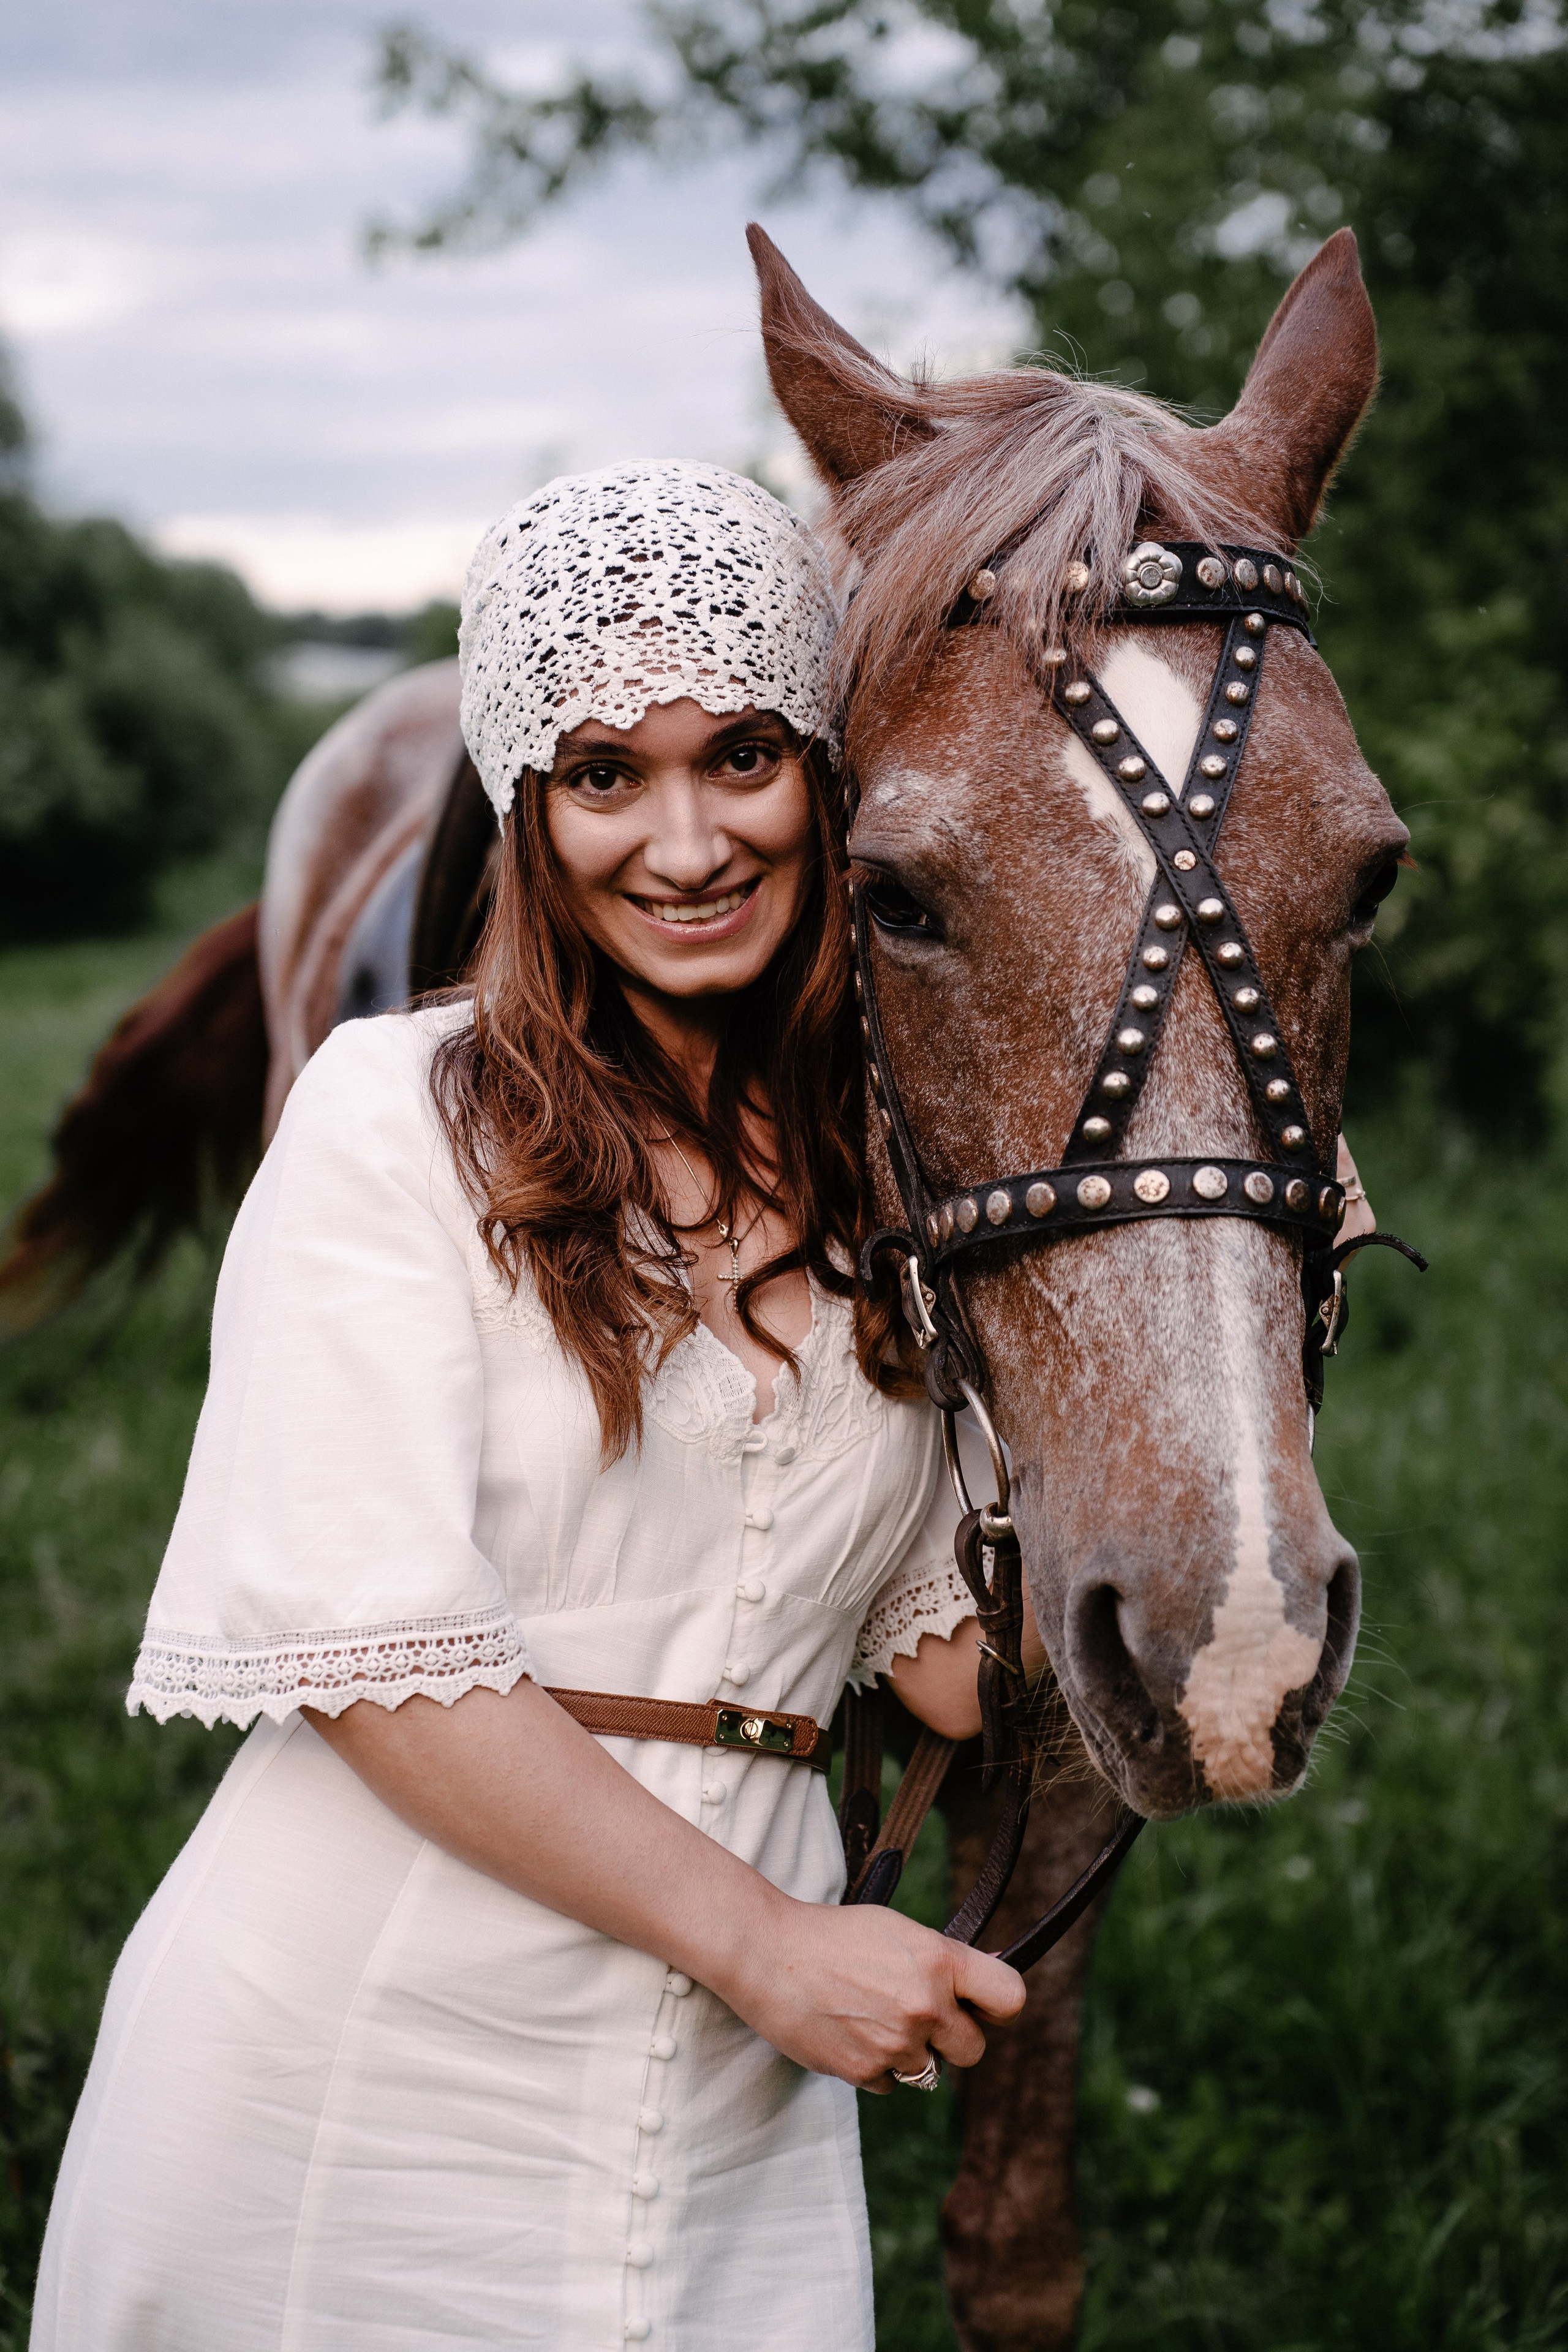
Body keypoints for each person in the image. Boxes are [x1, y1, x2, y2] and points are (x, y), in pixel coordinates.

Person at [30, 461, 1028, 2352]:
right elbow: (371, 1652)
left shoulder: (883, 1184)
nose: (684, 841)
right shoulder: (391, 1121)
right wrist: (771, 1950)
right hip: (368, 2055)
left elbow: (964, 1676)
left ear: (825, 769)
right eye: (603, 776)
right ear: (526, 812)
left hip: (734, 2104)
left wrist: (1202, 1244)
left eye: (741, 754)